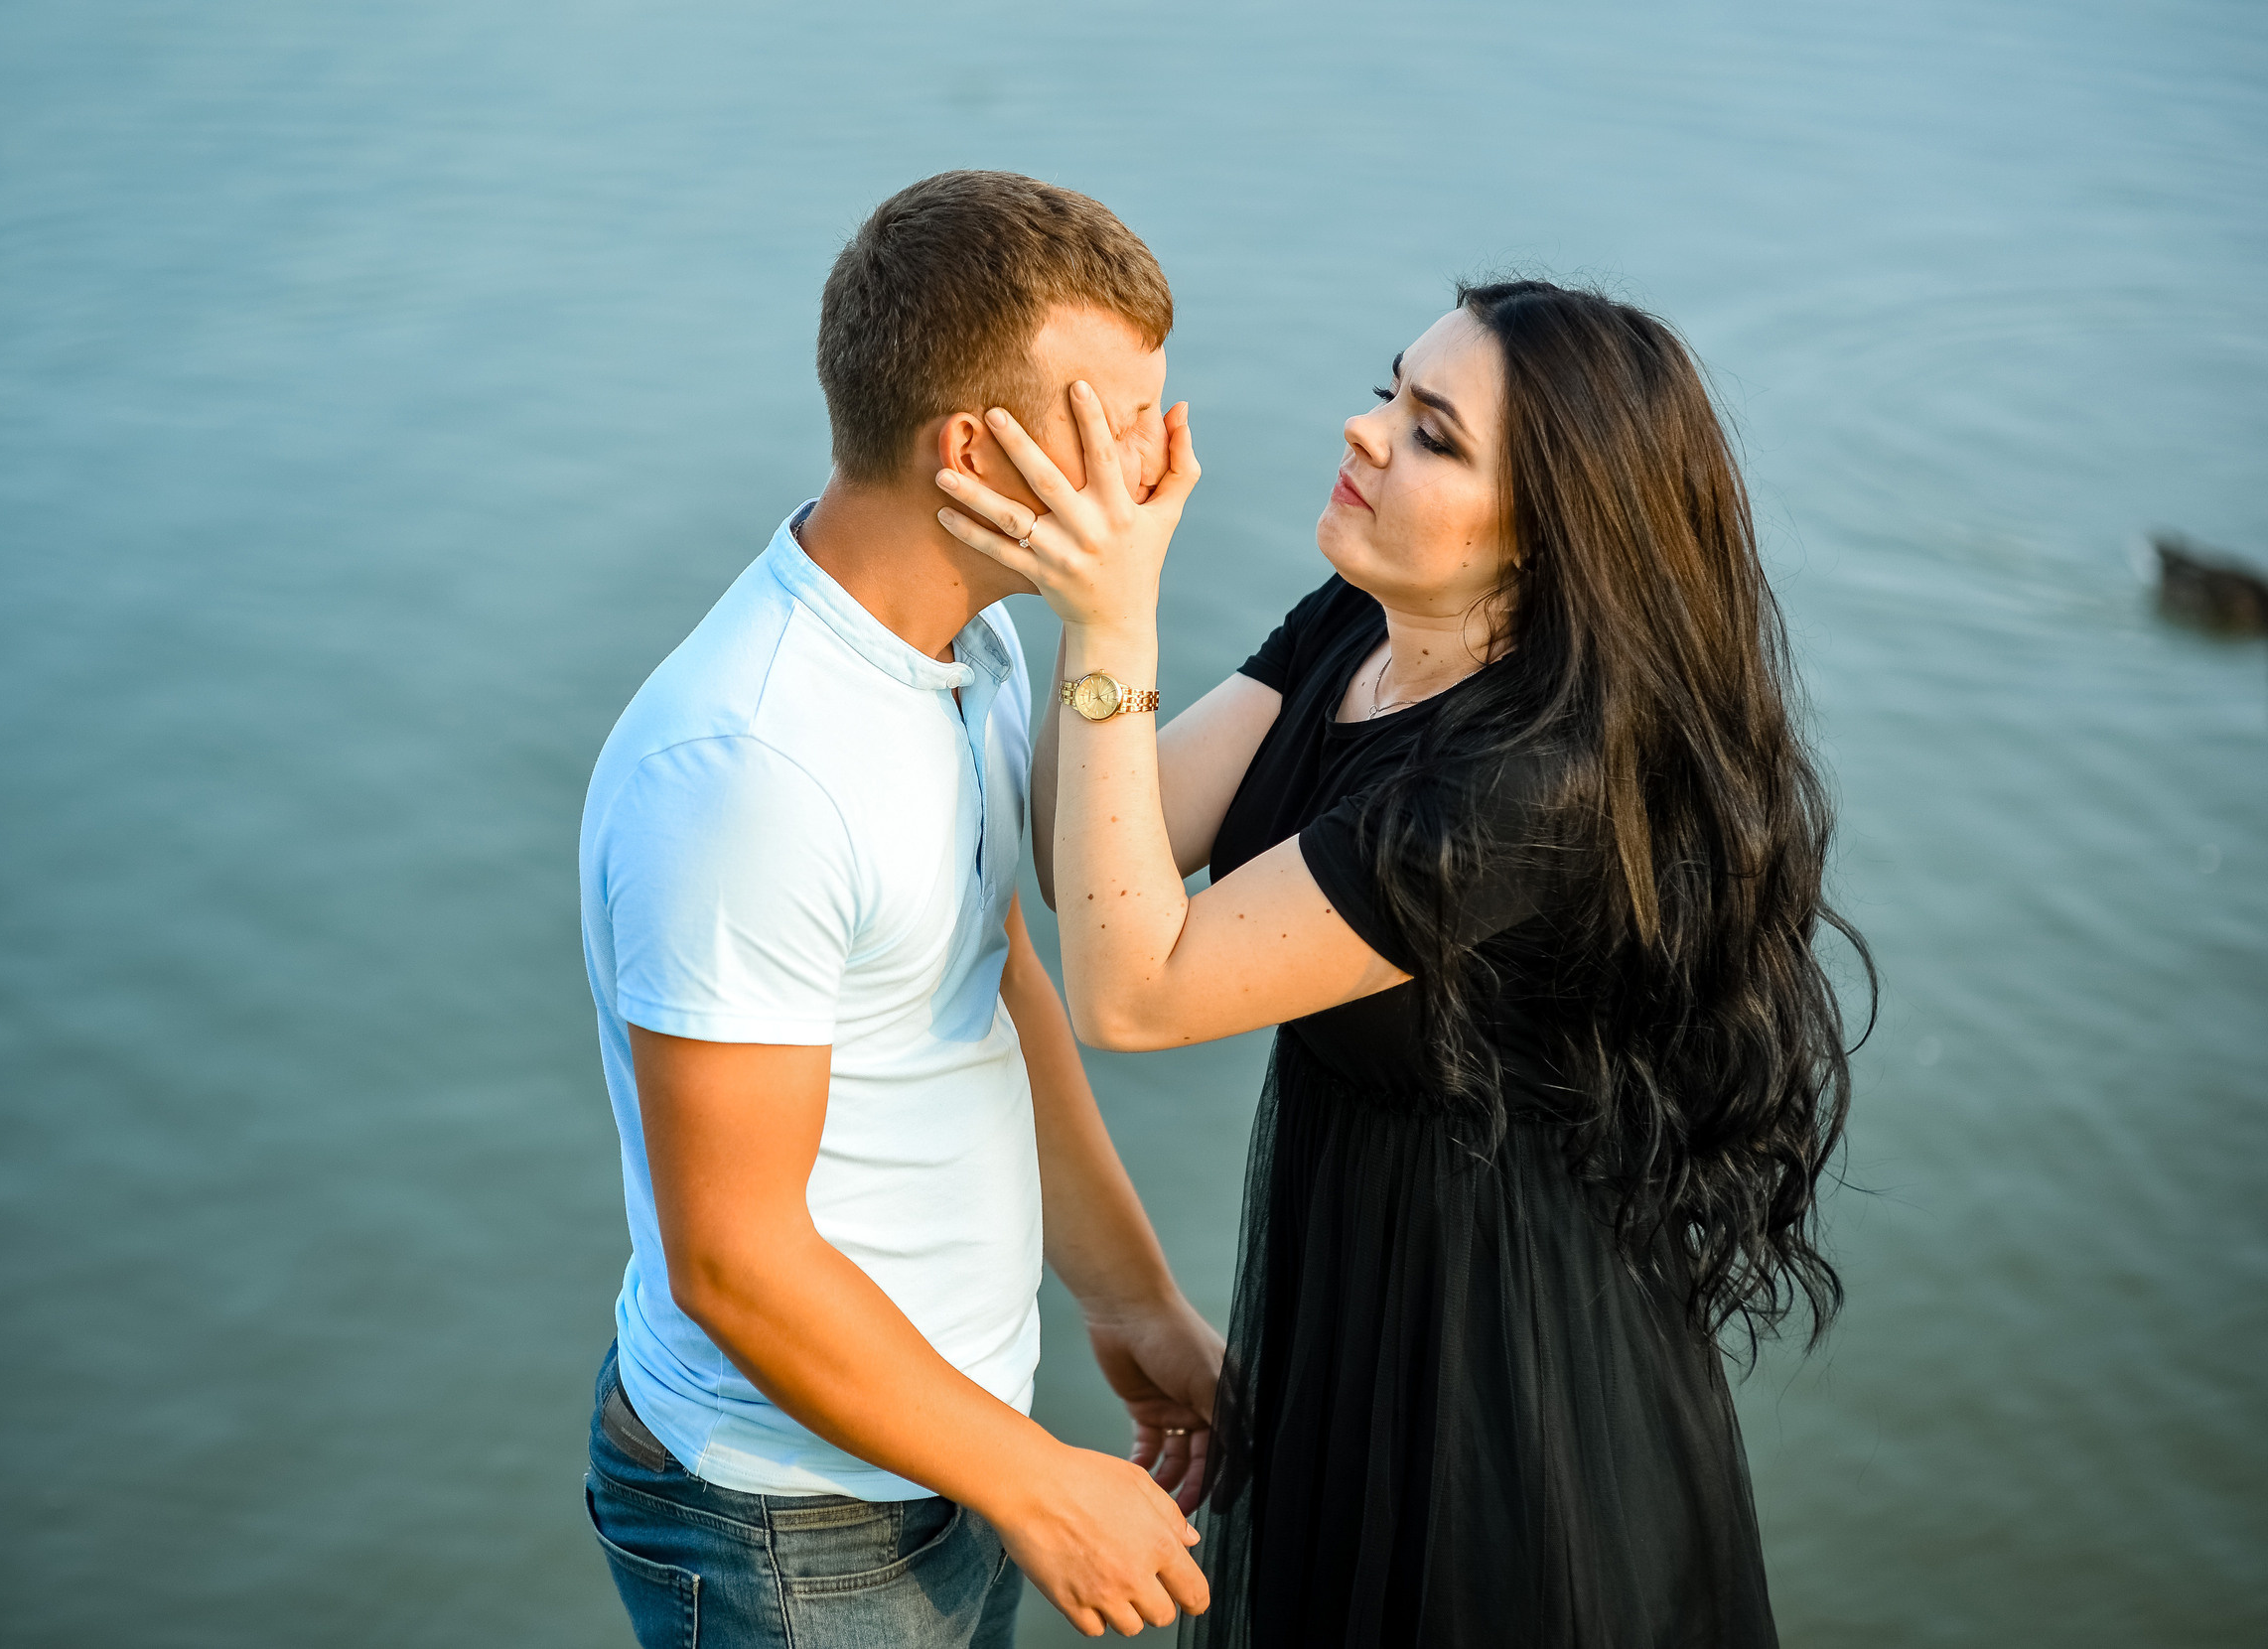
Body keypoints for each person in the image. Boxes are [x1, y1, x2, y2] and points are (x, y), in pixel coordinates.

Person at [935, 277, 1869, 1646]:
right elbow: (1092, 859)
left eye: (1434, 433)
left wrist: (1122, 625)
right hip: (1351, 1279)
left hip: (1495, 1353)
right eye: (1392, 392)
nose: (1365, 432)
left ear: (1551, 537)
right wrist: (1092, 588)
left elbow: (1132, 992)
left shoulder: (1524, 789)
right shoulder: (1357, 623)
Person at [578, 170, 1222, 1647]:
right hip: (791, 1528)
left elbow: (987, 978)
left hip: (943, 1458)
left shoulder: (973, 643)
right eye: (1121, 423)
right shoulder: (751, 770)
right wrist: (1040, 1484)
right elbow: (733, 1256)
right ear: (973, 450)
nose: (1157, 466)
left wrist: (1130, 1304)